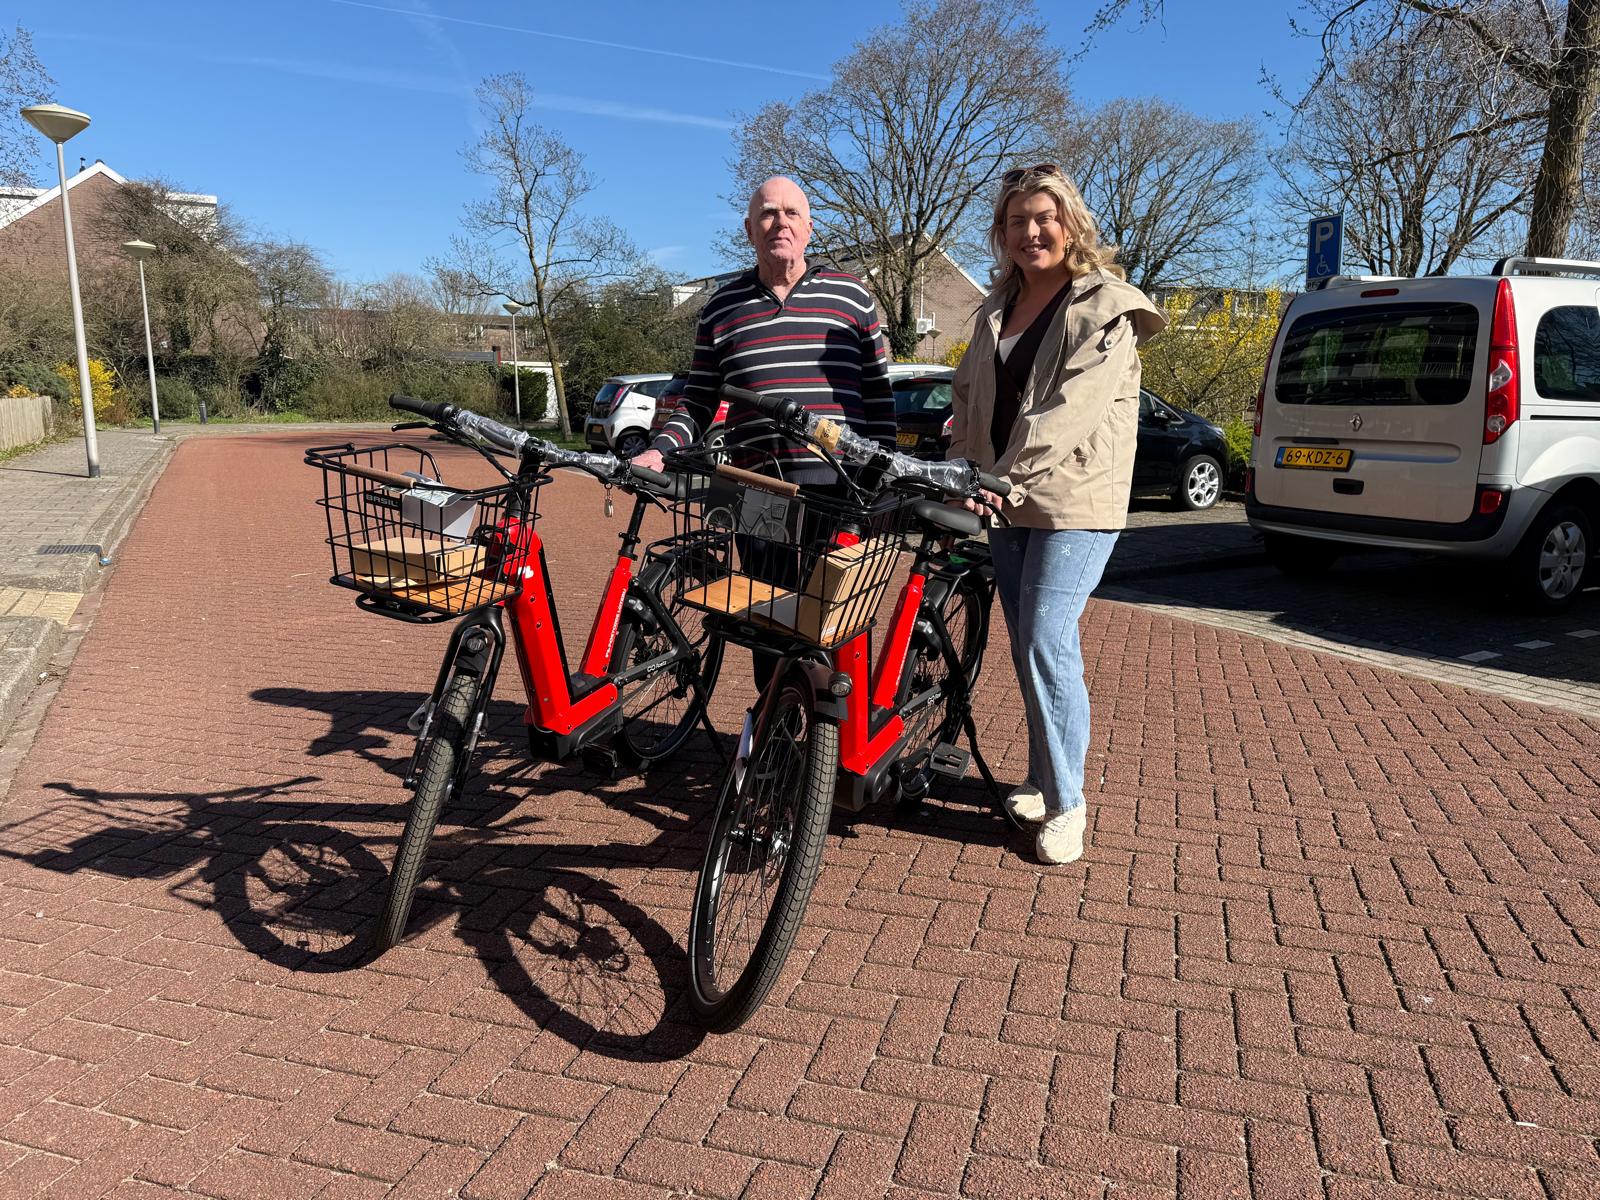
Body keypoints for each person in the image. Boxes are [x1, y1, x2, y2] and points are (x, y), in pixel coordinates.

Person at [947, 163, 1165, 866]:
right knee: (1027, 646)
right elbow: (969, 404)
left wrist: (997, 481)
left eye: (1045, 217)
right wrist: (956, 467)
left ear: (1071, 222)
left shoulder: (1107, 308)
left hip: (1072, 500)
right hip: (1005, 498)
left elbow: (1064, 418)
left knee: (1046, 640)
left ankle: (1069, 804)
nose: (1031, 231)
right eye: (1017, 220)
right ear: (1002, 231)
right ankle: (1043, 780)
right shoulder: (992, 310)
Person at [634, 176, 897, 689]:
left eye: (792, 213)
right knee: (766, 619)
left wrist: (882, 477)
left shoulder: (852, 296)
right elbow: (698, 400)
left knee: (834, 624)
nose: (781, 223)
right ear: (749, 229)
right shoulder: (720, 307)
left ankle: (829, 745)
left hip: (841, 489)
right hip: (756, 489)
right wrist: (659, 450)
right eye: (768, 214)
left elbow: (879, 397)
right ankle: (778, 741)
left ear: (809, 228)